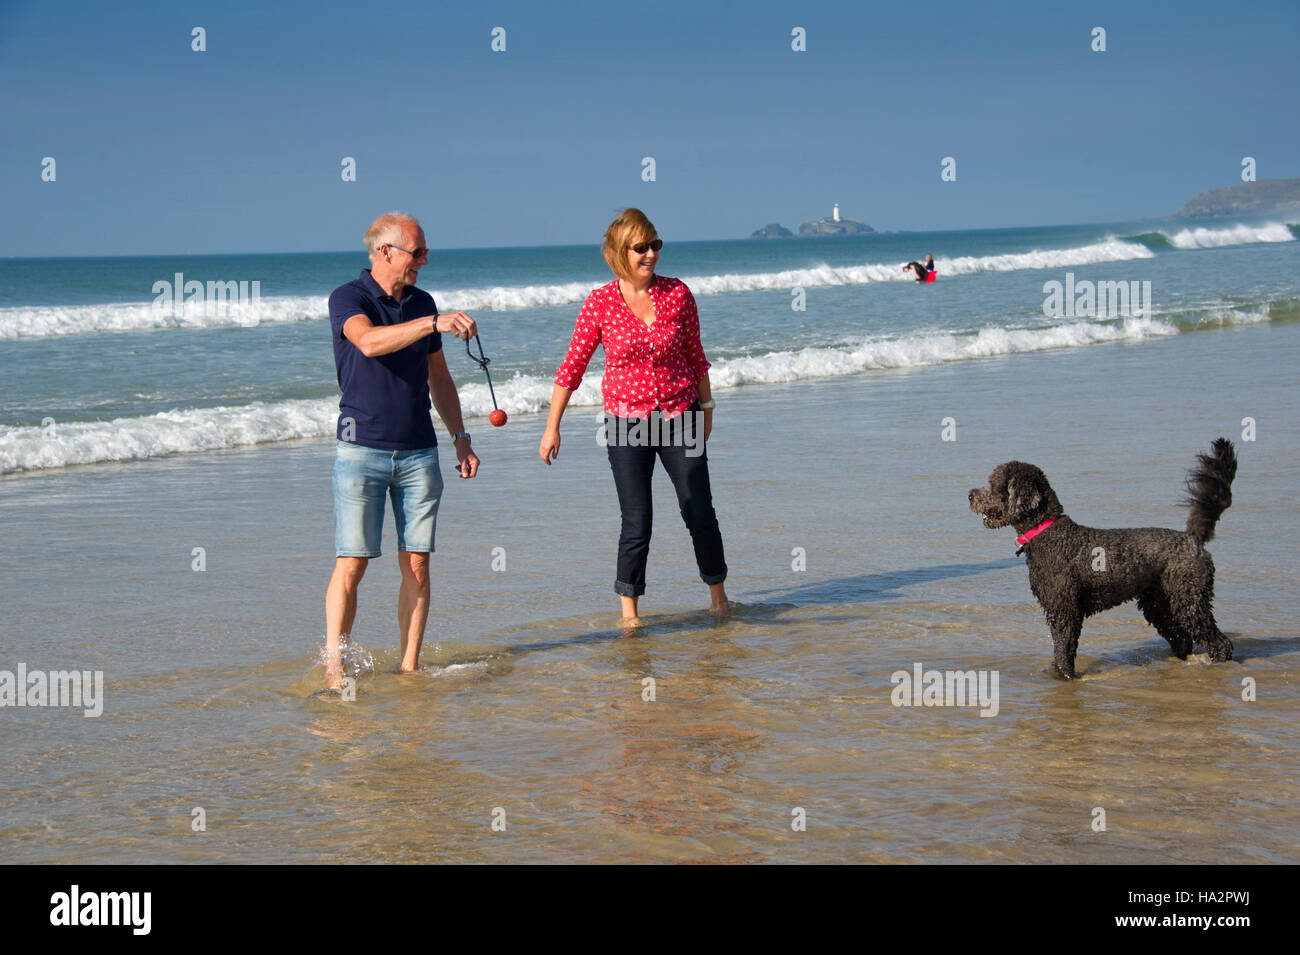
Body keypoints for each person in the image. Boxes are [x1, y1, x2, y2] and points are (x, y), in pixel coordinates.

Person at [539, 208, 728, 626]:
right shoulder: (601, 302)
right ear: (619, 252)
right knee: (637, 519)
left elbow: (696, 356)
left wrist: (707, 407)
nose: (650, 254)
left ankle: (719, 597)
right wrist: (552, 427)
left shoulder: (678, 294)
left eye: (655, 245)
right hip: (625, 423)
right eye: (640, 247)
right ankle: (630, 614)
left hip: (683, 415)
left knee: (698, 508)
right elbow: (571, 367)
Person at [323, 212, 480, 690]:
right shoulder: (348, 297)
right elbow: (369, 343)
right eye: (418, 252)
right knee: (353, 563)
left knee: (417, 562)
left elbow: (439, 378)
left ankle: (409, 667)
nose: (424, 260)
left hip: (419, 452)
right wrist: (432, 321)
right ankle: (335, 670)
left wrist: (460, 436)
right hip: (360, 450)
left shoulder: (422, 300)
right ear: (385, 252)